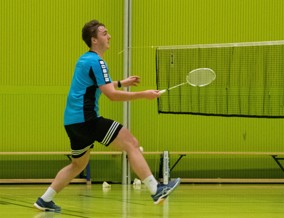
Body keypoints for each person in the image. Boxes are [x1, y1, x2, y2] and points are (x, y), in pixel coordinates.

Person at [34, 20, 180, 212]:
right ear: (94, 40)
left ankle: (45, 200)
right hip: (87, 119)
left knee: (78, 164)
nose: (109, 36)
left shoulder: (85, 59)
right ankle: (156, 189)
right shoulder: (97, 61)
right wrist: (143, 95)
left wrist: (121, 82)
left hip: (72, 122)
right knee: (131, 143)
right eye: (104, 33)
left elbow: (98, 85)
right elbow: (111, 95)